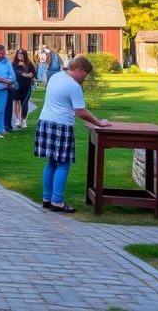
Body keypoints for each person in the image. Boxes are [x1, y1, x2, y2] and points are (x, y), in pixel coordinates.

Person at [35, 56, 111, 213]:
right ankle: (57, 201)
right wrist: (98, 122)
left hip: (45, 121)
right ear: (79, 70)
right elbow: (80, 112)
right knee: (63, 164)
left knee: (52, 162)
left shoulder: (55, 76)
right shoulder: (73, 86)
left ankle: (46, 199)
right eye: (86, 74)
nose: (85, 78)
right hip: (61, 125)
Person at [12, 49, 36, 129]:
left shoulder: (29, 64)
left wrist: (22, 74)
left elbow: (32, 74)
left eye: (22, 54)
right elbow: (15, 73)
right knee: (17, 102)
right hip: (17, 86)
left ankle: (23, 119)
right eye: (19, 53)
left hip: (27, 86)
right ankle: (18, 119)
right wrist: (24, 74)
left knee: (24, 103)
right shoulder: (14, 64)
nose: (20, 55)